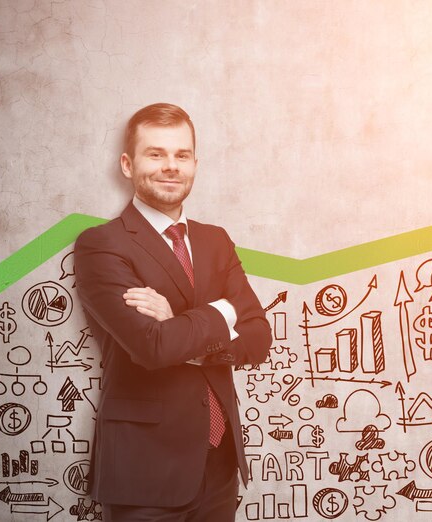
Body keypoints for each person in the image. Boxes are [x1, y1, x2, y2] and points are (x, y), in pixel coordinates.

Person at [74, 102, 272, 521]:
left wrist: (185, 329)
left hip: (220, 464)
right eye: (156, 154)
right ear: (127, 165)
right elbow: (152, 347)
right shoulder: (101, 244)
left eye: (181, 155)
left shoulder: (215, 240)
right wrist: (222, 311)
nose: (171, 166)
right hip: (145, 471)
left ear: (195, 164)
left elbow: (258, 335)